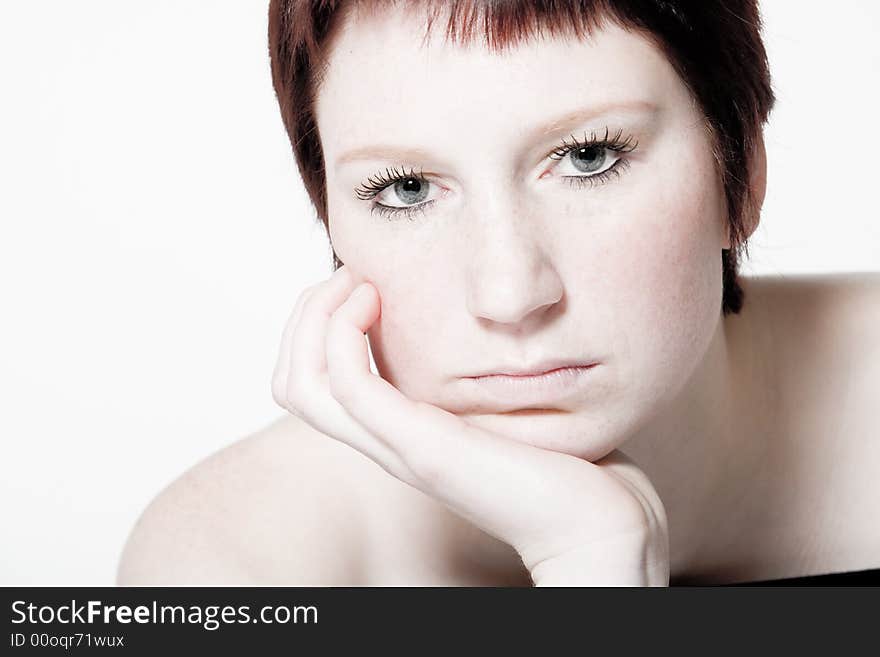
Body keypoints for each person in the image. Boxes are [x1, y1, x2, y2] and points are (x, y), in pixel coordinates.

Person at [116, 0, 880, 586]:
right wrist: (593, 559)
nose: (511, 293)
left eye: (587, 156)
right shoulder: (232, 564)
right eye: (407, 188)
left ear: (740, 169)